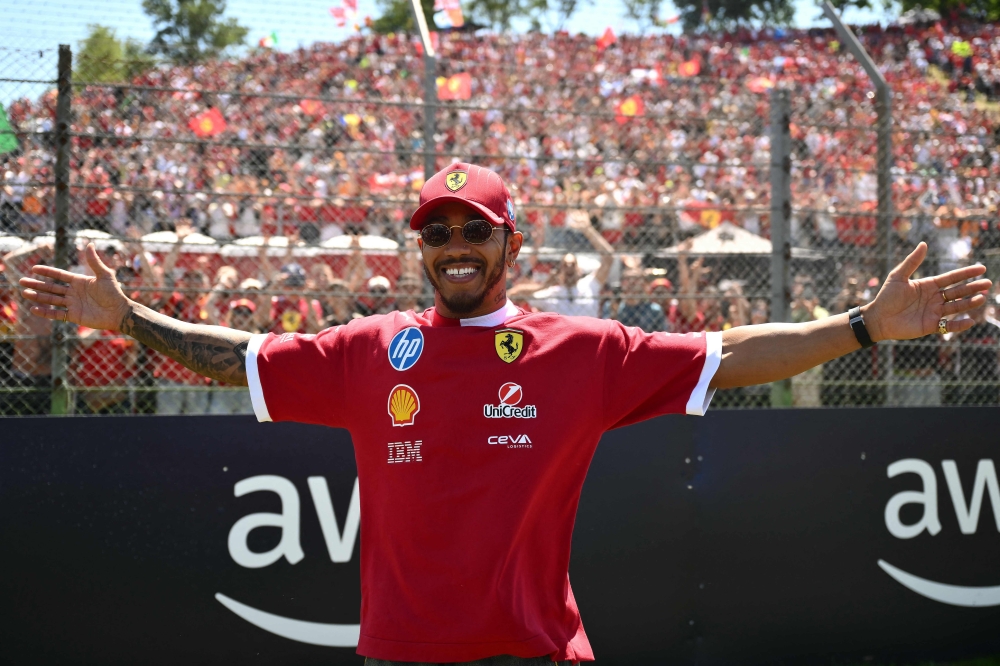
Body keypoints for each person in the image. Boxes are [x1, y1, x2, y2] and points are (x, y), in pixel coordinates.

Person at [19, 162, 991, 666]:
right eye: (435, 231)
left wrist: (862, 326)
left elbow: (729, 354)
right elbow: (240, 357)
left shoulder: (580, 352)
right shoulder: (370, 349)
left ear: (510, 245)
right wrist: (128, 318)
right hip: (399, 657)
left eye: (473, 230)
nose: (453, 244)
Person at [529, 212, 613, 318]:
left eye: (573, 264)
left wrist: (588, 230)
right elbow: (516, 295)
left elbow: (608, 258)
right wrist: (543, 286)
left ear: (579, 270)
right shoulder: (550, 294)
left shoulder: (590, 285)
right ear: (559, 273)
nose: (569, 267)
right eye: (565, 265)